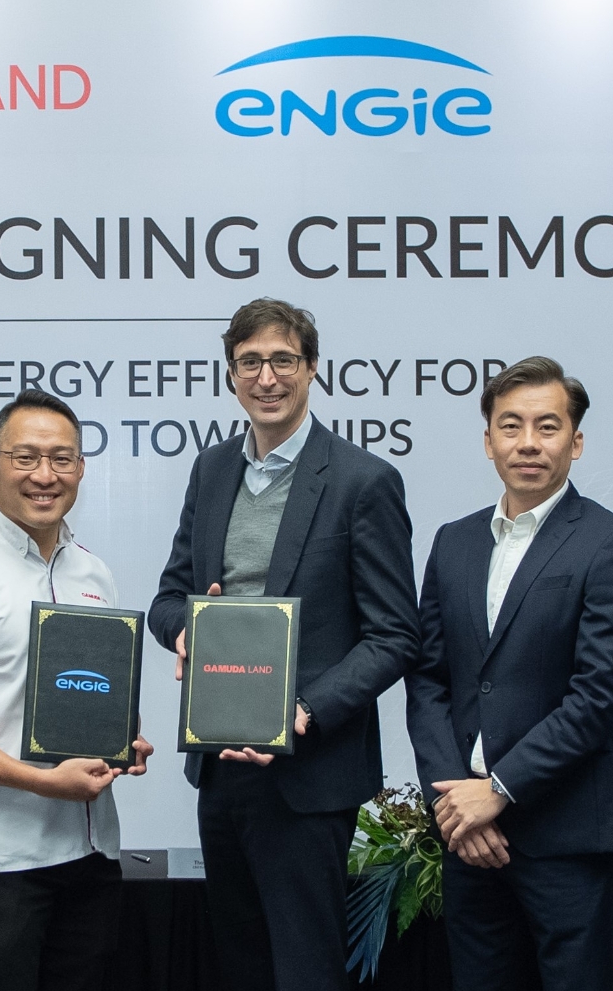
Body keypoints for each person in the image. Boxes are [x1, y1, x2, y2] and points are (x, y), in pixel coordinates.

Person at [147, 297, 419, 991]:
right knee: (238, 961)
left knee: (305, 969)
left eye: (282, 361)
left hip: (308, 770)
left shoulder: (363, 481)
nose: (266, 377)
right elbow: (169, 597)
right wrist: (186, 633)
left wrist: (303, 712)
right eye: (249, 363)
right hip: (220, 764)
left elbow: (394, 635)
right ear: (230, 375)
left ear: (313, 369)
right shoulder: (212, 471)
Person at [405, 356, 613, 991]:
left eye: (547, 426)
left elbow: (602, 695)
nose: (528, 443)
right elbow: (430, 679)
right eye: (510, 426)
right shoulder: (453, 541)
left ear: (576, 440)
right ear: (488, 441)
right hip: (467, 833)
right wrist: (454, 799)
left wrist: (501, 788)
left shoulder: (612, 542)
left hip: (565, 836)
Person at [0, 389, 152, 991]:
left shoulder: (93, 571)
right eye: (26, 458)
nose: (45, 475)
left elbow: (93, 690)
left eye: (62, 459)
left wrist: (124, 740)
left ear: (82, 468)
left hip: (90, 850)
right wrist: (44, 781)